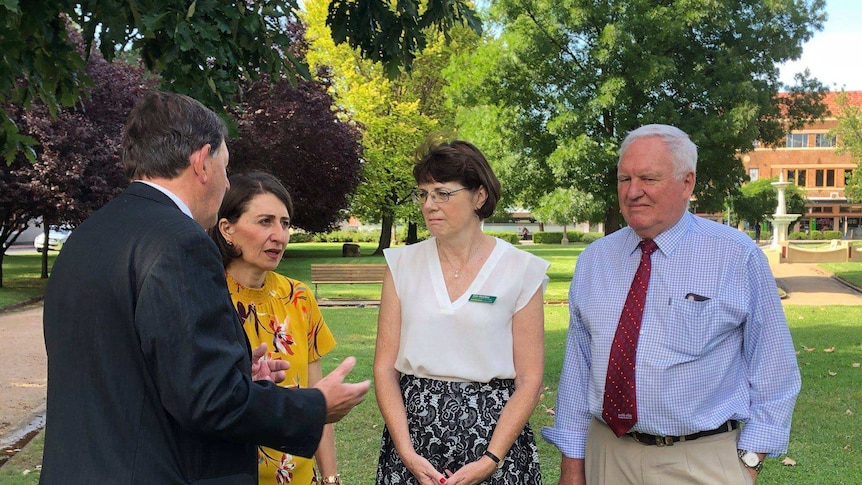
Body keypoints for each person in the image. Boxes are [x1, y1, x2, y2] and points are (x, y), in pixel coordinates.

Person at [41, 91, 369, 484]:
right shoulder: (181, 241)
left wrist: (238, 379)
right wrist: (313, 405)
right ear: (202, 161)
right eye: (226, 166)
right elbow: (208, 402)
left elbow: (135, 370)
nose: (227, 181)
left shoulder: (87, 235)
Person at [542, 124, 801, 485]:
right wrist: (572, 462)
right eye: (624, 178)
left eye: (648, 178)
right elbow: (577, 371)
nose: (633, 192)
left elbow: (774, 368)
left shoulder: (735, 256)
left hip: (701, 460)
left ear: (687, 183)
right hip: (606, 455)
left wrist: (750, 459)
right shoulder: (595, 260)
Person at [374, 140, 550, 485]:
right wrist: (406, 452)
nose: (429, 205)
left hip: (494, 442)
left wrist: (490, 459)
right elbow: (384, 367)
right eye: (423, 194)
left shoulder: (520, 270)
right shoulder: (401, 265)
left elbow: (530, 379)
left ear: (479, 196)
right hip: (414, 442)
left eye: (442, 193)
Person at [209, 172, 342, 485]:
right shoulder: (206, 298)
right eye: (265, 221)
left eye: (285, 223)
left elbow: (316, 399)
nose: (279, 236)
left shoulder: (299, 297)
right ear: (227, 229)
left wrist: (331, 478)